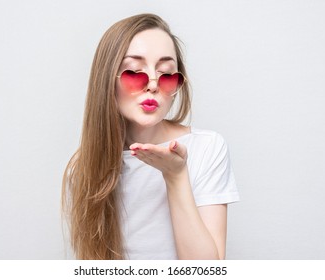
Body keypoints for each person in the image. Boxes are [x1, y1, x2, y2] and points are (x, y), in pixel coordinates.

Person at [62, 13, 239, 260]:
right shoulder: (83, 169)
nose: (154, 85)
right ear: (106, 81)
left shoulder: (207, 148)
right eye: (134, 72)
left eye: (166, 74)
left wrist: (175, 176)